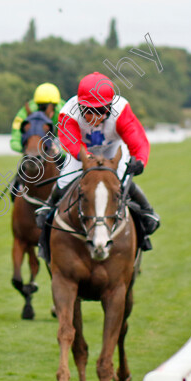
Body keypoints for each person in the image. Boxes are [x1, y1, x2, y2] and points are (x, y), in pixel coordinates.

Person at [36, 72, 160, 253]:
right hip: (81, 153)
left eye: (101, 111)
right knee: (64, 180)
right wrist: (88, 159)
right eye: (88, 110)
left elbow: (137, 139)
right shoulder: (67, 113)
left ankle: (148, 211)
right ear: (80, 106)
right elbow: (71, 141)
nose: (94, 116)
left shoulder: (121, 109)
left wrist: (140, 160)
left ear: (109, 107)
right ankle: (49, 205)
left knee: (121, 181)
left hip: (112, 150)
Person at [8, 82, 66, 198]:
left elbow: (71, 140)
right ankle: (16, 190)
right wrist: (27, 148)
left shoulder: (64, 111)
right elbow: (15, 139)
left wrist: (59, 150)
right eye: (41, 106)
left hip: (57, 145)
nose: (45, 110)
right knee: (14, 187)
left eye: (50, 106)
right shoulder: (25, 112)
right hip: (34, 151)